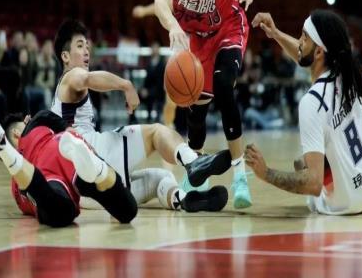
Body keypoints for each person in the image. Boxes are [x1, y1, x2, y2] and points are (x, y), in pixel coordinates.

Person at [153, 0, 271, 208]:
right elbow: (160, 0)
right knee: (195, 112)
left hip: (228, 27)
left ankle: (239, 174)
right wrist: (173, 26)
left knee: (223, 85)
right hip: (196, 39)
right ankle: (197, 173)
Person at [245, 11, 362, 215]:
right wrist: (276, 34)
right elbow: (303, 54)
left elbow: (314, 183)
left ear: (319, 52)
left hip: (343, 204)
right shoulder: (346, 74)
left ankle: (326, 197)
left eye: (304, 36)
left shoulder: (312, 102)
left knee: (302, 163)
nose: (299, 41)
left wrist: (266, 173)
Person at [51, 19, 229, 212]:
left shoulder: (58, 97)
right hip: (92, 155)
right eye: (80, 46)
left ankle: (184, 200)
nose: (86, 50)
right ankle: (193, 162)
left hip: (89, 192)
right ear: (65, 56)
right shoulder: (71, 76)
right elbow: (87, 78)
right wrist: (126, 85)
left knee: (161, 178)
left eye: (87, 46)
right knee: (156, 132)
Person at [0, 107, 138, 227]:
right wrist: (67, 130)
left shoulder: (15, 187)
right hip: (64, 147)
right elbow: (58, 122)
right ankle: (99, 170)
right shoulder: (36, 122)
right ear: (17, 133)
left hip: (40, 176)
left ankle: (3, 149)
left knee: (59, 212)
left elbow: (33, 208)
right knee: (128, 212)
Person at [132, 3, 177, 128]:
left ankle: (171, 124)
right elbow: (164, 4)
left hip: (158, 91)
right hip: (153, 90)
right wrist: (144, 10)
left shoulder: (162, 63)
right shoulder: (149, 62)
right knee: (169, 100)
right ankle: (168, 124)